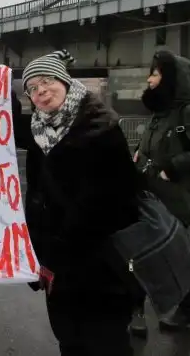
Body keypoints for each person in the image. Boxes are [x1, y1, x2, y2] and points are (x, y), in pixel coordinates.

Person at [12, 50, 142, 355]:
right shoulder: (40, 130)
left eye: (47, 81)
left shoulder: (101, 128)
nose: (41, 91)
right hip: (57, 265)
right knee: (69, 340)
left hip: (101, 265)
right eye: (33, 88)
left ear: (65, 82)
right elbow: (8, 124)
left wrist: (62, 245)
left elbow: (117, 202)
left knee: (105, 343)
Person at [130, 49, 190, 336]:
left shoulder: (185, 112)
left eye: (155, 74)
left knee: (180, 256)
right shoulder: (158, 113)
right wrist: (138, 154)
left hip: (177, 200)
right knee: (138, 254)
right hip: (150, 196)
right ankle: (136, 309)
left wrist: (173, 168)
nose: (149, 79)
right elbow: (149, 144)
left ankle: (185, 310)